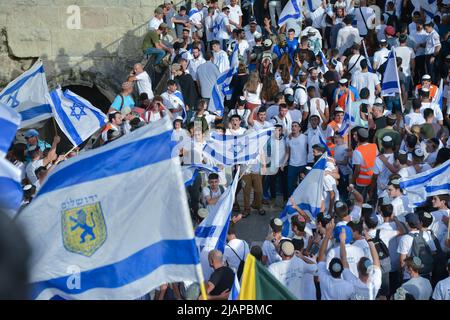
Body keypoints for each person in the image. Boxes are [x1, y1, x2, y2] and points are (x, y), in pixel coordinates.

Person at [339, 226, 382, 300]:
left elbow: (343, 258)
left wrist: (342, 240)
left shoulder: (352, 282)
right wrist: (369, 241)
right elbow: (376, 259)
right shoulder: (376, 282)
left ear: (358, 269)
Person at [317, 220, 355, 300]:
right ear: (342, 270)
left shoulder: (324, 279)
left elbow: (321, 257)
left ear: (329, 270)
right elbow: (344, 258)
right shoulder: (349, 287)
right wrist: (342, 241)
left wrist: (327, 235)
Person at [285, 122, 308, 197]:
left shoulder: (304, 137)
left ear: (299, 128)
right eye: (292, 126)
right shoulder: (288, 138)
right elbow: (287, 152)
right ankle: (290, 202)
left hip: (303, 164)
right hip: (292, 165)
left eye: (295, 126)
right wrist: (283, 163)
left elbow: (309, 149)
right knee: (290, 185)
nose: (293, 127)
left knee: (303, 185)